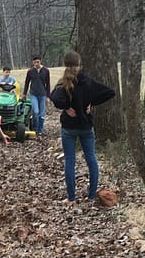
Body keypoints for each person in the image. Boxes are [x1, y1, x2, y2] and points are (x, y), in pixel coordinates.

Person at [50, 50, 115, 205]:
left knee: (70, 161)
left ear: (66, 64)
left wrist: (66, 107)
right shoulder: (89, 82)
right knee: (91, 159)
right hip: (86, 126)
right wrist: (91, 102)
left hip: (69, 128)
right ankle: (92, 194)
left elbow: (54, 97)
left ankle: (71, 198)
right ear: (80, 65)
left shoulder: (63, 83)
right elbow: (110, 92)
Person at [20, 55, 51, 136]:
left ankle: (40, 130)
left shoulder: (46, 71)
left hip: (42, 94)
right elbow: (27, 83)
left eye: (37, 62)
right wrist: (24, 93)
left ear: (40, 61)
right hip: (33, 94)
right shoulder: (30, 71)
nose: (36, 64)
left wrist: (48, 96)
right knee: (35, 111)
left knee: (42, 113)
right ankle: (35, 128)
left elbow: (48, 84)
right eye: (34, 62)